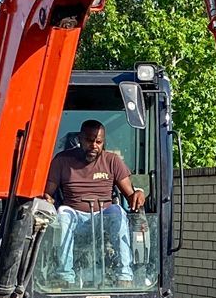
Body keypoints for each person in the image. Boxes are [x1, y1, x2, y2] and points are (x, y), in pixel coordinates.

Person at [43, 119, 147, 284]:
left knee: (118, 211)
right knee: (63, 213)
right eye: (89, 140)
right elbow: (47, 193)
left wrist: (138, 194)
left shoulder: (112, 161)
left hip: (103, 217)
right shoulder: (62, 160)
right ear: (80, 139)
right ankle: (65, 277)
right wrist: (47, 198)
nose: (94, 145)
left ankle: (124, 276)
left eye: (98, 142)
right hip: (74, 215)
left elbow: (130, 194)